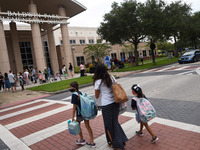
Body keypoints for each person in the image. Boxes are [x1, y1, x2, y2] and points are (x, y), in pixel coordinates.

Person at [93, 64, 128, 149]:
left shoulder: (98, 82)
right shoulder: (111, 77)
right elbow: (116, 88)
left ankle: (116, 144)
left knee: (109, 125)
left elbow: (97, 96)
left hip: (106, 105)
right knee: (114, 122)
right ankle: (119, 141)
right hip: (115, 103)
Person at [69, 81, 96, 148]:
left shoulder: (74, 95)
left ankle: (81, 139)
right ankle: (92, 142)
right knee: (88, 126)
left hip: (79, 113)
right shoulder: (80, 93)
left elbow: (74, 107)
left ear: (74, 87)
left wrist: (72, 117)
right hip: (85, 112)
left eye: (70, 87)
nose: (69, 88)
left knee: (78, 126)